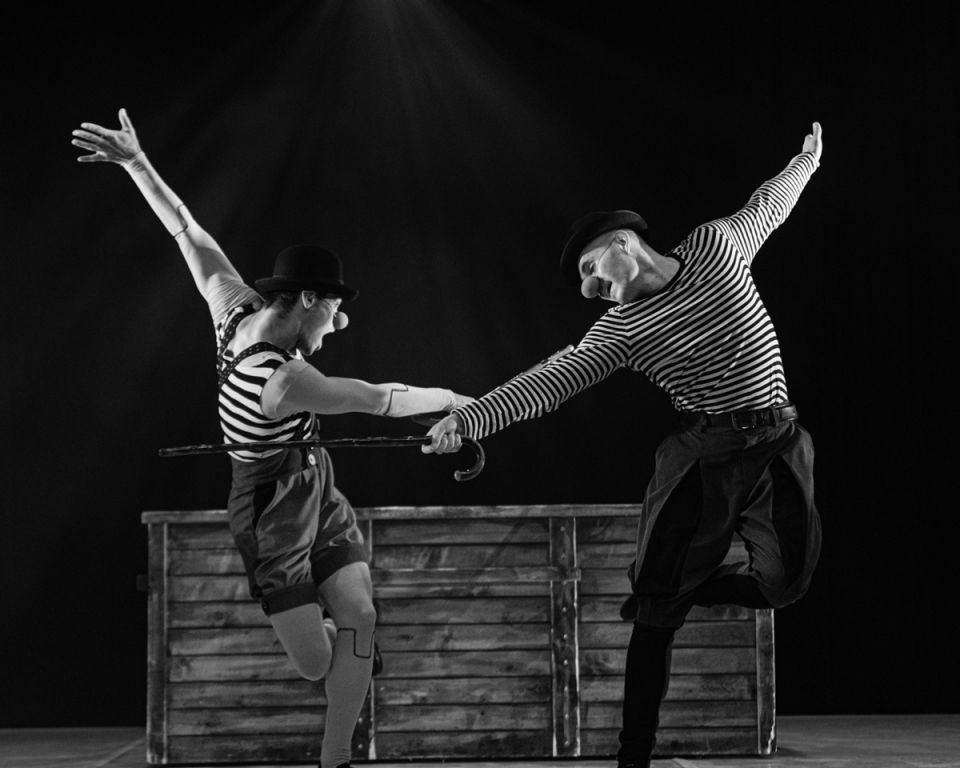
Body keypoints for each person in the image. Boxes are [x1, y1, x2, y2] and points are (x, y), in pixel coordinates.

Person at [72, 108, 473, 768]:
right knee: (318, 663)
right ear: (309, 299)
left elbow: (186, 229)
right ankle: (337, 652)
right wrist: (457, 402)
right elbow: (378, 399)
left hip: (315, 483)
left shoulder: (234, 307)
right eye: (335, 309)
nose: (340, 324)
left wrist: (136, 162)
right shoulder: (283, 380)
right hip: (267, 511)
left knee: (362, 617)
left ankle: (335, 759)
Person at [425, 123, 825, 767]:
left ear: (622, 242)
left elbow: (768, 206)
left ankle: (685, 589)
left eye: (590, 269)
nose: (589, 289)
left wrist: (805, 163)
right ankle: (632, 756)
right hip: (704, 454)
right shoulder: (619, 330)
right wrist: (470, 419)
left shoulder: (716, 247)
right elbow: (551, 382)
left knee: (787, 582)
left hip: (778, 440)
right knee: (656, 613)